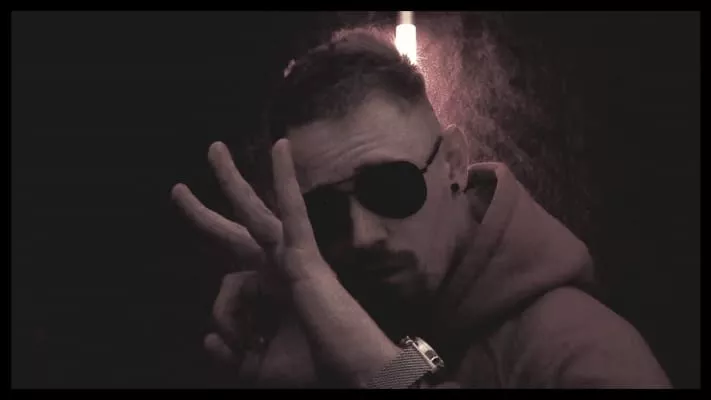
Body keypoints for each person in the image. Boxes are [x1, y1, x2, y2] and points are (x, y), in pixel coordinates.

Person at [170, 28, 671, 388]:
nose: (363, 235)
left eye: (391, 188)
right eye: (322, 212)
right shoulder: (383, 324)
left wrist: (380, 372)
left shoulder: (577, 350)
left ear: (454, 163)